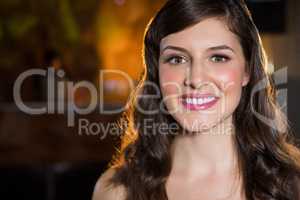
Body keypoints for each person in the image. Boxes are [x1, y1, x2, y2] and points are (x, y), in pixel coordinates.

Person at [92, 0, 300, 199]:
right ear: (157, 72)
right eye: (177, 59)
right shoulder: (116, 191)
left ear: (246, 70)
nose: (196, 79)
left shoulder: (293, 184)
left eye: (218, 58)